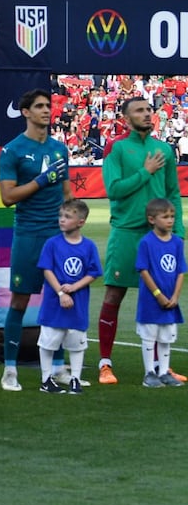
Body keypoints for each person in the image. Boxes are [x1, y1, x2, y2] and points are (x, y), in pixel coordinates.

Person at [97, 97, 185, 384]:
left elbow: (173, 193)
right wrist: (144, 172)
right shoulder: (117, 147)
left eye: (149, 110)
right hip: (126, 232)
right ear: (125, 117)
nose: (147, 114)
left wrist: (178, 233)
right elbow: (114, 189)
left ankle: (162, 367)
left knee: (162, 297)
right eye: (139, 110)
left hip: (161, 238)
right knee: (114, 295)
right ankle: (105, 364)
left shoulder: (164, 149)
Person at [0, 89, 74, 392]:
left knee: (60, 298)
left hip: (57, 235)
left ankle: (59, 367)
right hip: (29, 233)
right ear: (25, 112)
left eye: (48, 106)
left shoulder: (59, 149)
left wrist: (73, 223)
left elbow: (67, 192)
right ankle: (10, 370)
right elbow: (7, 197)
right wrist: (40, 181)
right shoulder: (13, 150)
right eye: (40, 106)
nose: (46, 110)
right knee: (19, 299)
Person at [34, 199, 102, 395]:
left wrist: (74, 287)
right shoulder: (52, 243)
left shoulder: (88, 246)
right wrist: (61, 292)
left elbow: (93, 273)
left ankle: (75, 379)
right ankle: (46, 379)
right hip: (54, 303)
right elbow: (46, 269)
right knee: (48, 340)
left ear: (81, 222)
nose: (62, 220)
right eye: (61, 216)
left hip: (78, 304)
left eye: (67, 217)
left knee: (77, 341)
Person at [135, 198, 186, 388]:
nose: (170, 220)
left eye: (172, 216)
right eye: (165, 217)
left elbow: (181, 270)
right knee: (149, 335)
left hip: (170, 300)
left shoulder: (177, 242)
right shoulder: (146, 242)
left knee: (166, 337)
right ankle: (149, 373)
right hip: (151, 300)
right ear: (152, 219)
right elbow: (143, 270)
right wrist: (158, 294)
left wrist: (175, 296)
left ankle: (164, 372)